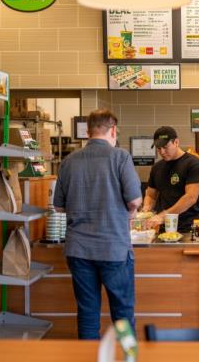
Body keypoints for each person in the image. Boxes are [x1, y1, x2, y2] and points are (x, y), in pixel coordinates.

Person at [53, 108, 142, 339]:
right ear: (113, 130)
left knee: (87, 313)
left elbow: (59, 207)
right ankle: (125, 357)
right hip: (114, 249)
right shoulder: (120, 157)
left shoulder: (69, 161)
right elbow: (134, 199)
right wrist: (131, 212)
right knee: (122, 313)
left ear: (88, 131)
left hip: (79, 250)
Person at [143, 126, 199, 232]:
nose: (162, 152)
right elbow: (150, 195)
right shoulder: (157, 167)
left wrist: (163, 215)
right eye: (158, 148)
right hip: (164, 228)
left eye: (165, 147)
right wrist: (146, 210)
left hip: (190, 227)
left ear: (176, 142)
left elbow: (190, 197)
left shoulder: (194, 164)